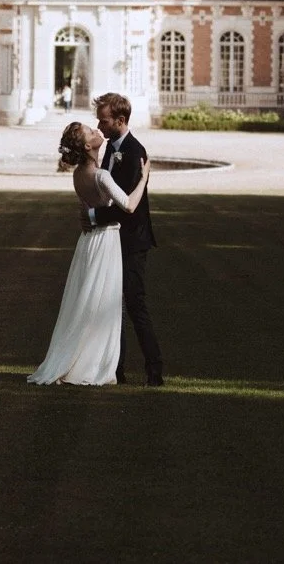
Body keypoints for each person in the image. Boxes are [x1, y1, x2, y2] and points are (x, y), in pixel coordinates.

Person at [26, 121, 150, 386]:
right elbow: (128, 205)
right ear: (86, 145)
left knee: (85, 301)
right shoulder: (101, 175)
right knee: (103, 302)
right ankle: (95, 363)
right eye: (91, 133)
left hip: (87, 241)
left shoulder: (77, 174)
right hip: (105, 241)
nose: (97, 131)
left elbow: (88, 209)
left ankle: (77, 357)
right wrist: (143, 179)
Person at [92, 92, 164, 387]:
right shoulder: (110, 147)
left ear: (120, 121)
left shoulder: (135, 152)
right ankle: (116, 369)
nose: (99, 125)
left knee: (135, 304)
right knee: (112, 305)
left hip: (132, 240)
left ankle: (154, 369)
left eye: (104, 119)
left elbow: (127, 208)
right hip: (114, 238)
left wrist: (95, 217)